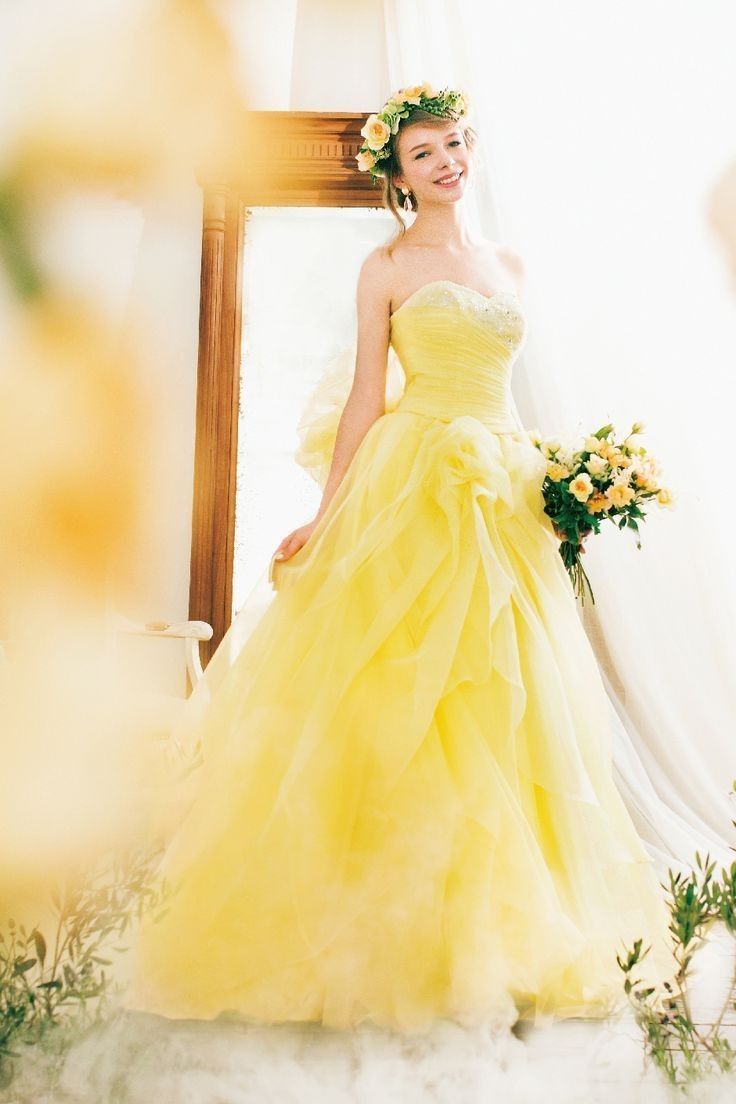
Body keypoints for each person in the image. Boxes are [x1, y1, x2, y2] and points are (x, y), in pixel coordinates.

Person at [123, 82, 676, 1035]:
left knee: (506, 700)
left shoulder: (510, 261)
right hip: (416, 476)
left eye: (456, 144)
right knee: (396, 694)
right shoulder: (384, 268)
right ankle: (377, 929)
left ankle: (494, 931)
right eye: (426, 153)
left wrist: (567, 482)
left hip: (502, 486)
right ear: (399, 173)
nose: (448, 161)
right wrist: (326, 514)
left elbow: (514, 385)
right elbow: (364, 401)